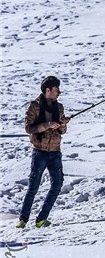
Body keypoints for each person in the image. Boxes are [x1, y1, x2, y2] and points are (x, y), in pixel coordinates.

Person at [16, 76, 70, 228]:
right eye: (56, 89)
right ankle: (23, 220)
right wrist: (47, 125)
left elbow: (62, 131)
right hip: (39, 152)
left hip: (55, 152)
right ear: (48, 90)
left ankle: (41, 218)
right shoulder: (34, 106)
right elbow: (29, 128)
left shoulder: (59, 107)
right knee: (34, 186)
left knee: (57, 185)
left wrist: (63, 124)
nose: (59, 92)